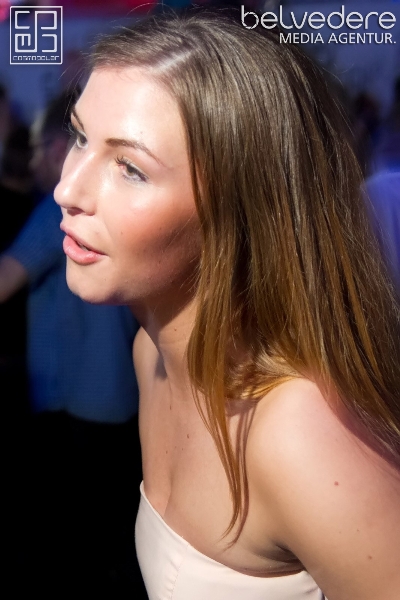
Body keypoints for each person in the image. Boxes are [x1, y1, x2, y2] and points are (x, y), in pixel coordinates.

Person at [54, 9, 400, 600]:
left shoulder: (298, 435)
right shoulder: (150, 355)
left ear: (236, 209)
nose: (67, 189)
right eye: (80, 137)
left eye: (130, 167)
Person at [0, 91, 144, 595]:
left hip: (75, 402)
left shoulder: (54, 211)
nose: (37, 162)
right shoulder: (113, 210)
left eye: (43, 150)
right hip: (118, 396)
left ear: (62, 148)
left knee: (69, 543)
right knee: (105, 535)